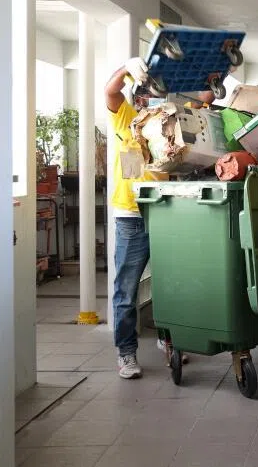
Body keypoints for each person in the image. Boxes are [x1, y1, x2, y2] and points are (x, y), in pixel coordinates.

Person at [105, 57, 216, 379]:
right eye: (146, 95)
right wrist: (126, 68)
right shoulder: (125, 119)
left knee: (171, 284)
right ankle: (126, 352)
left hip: (166, 211)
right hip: (131, 215)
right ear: (138, 97)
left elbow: (204, 100)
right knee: (126, 289)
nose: (150, 101)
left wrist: (212, 75)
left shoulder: (170, 119)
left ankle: (170, 342)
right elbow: (111, 91)